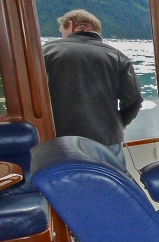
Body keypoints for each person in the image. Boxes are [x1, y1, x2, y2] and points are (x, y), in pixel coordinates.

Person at [42, 9, 141, 170]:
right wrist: (120, 123)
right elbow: (134, 99)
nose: (62, 36)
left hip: (60, 140)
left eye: (63, 31)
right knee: (114, 185)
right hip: (107, 138)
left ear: (71, 25)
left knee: (68, 189)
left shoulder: (46, 51)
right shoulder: (118, 56)